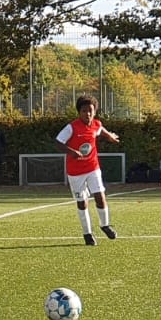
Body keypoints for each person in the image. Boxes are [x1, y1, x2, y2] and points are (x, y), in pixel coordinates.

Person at [55, 96, 120, 245]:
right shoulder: (71, 127)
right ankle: (87, 234)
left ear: (94, 111)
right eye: (84, 111)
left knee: (100, 196)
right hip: (75, 172)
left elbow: (100, 130)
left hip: (92, 167)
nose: (87, 114)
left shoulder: (96, 124)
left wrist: (110, 136)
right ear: (79, 112)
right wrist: (71, 152)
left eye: (90, 110)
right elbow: (58, 142)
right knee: (82, 202)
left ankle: (105, 225)